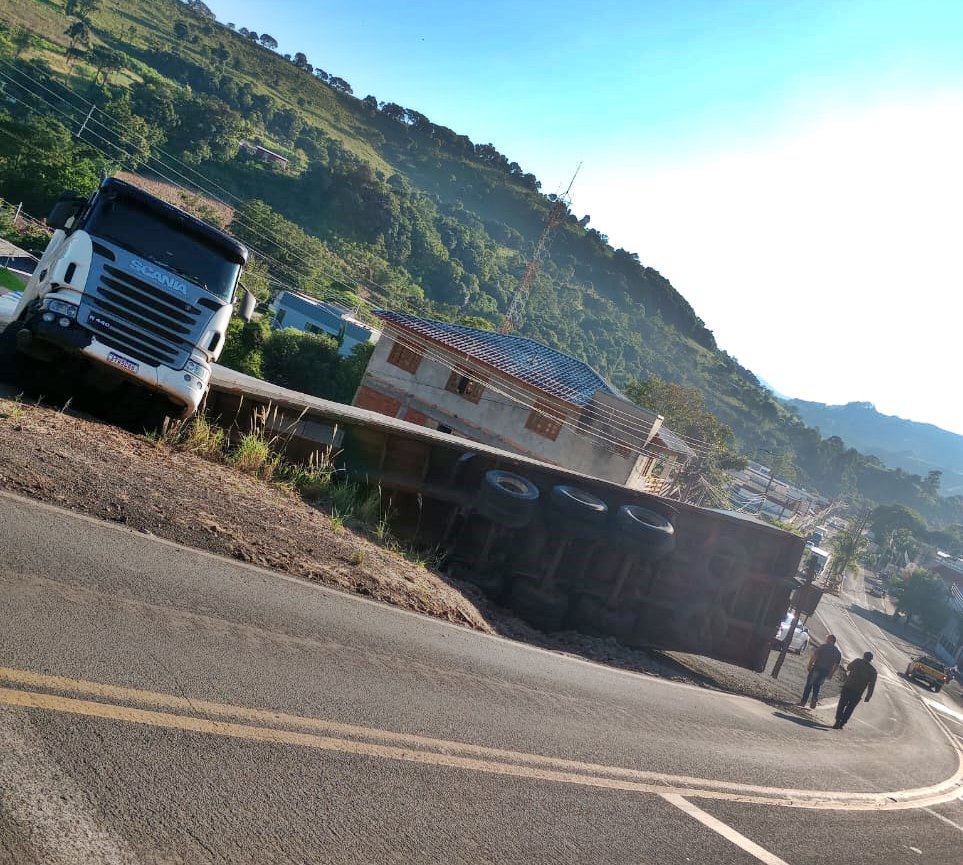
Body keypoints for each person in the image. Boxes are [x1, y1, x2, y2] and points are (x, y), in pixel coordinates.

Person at [833, 651, 877, 729]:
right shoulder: (873, 671)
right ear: (871, 660)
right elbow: (871, 685)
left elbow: (848, 667)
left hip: (848, 687)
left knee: (842, 705)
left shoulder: (857, 661)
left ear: (864, 656)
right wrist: (868, 696)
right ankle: (842, 723)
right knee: (850, 708)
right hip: (858, 691)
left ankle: (837, 720)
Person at [799, 634, 841, 708]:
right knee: (817, 685)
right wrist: (831, 673)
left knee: (809, 684)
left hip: (817, 668)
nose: (826, 640)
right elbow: (836, 665)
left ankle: (803, 702)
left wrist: (809, 665)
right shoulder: (837, 652)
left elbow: (814, 656)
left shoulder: (823, 647)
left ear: (830, 640)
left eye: (827, 639)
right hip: (826, 671)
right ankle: (814, 699)